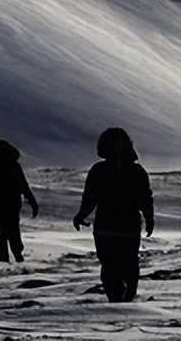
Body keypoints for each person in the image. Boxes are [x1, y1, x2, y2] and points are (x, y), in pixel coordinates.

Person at [72, 127, 154, 303]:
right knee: (128, 264)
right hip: (126, 228)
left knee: (111, 266)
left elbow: (90, 198)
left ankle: (118, 299)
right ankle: (125, 298)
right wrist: (149, 218)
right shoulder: (137, 171)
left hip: (107, 228)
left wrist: (81, 216)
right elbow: (145, 199)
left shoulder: (98, 170)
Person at [0, 138, 39, 262]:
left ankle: (3, 259)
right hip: (12, 204)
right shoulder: (13, 165)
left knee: (0, 234)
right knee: (13, 230)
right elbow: (23, 185)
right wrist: (32, 201)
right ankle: (17, 253)